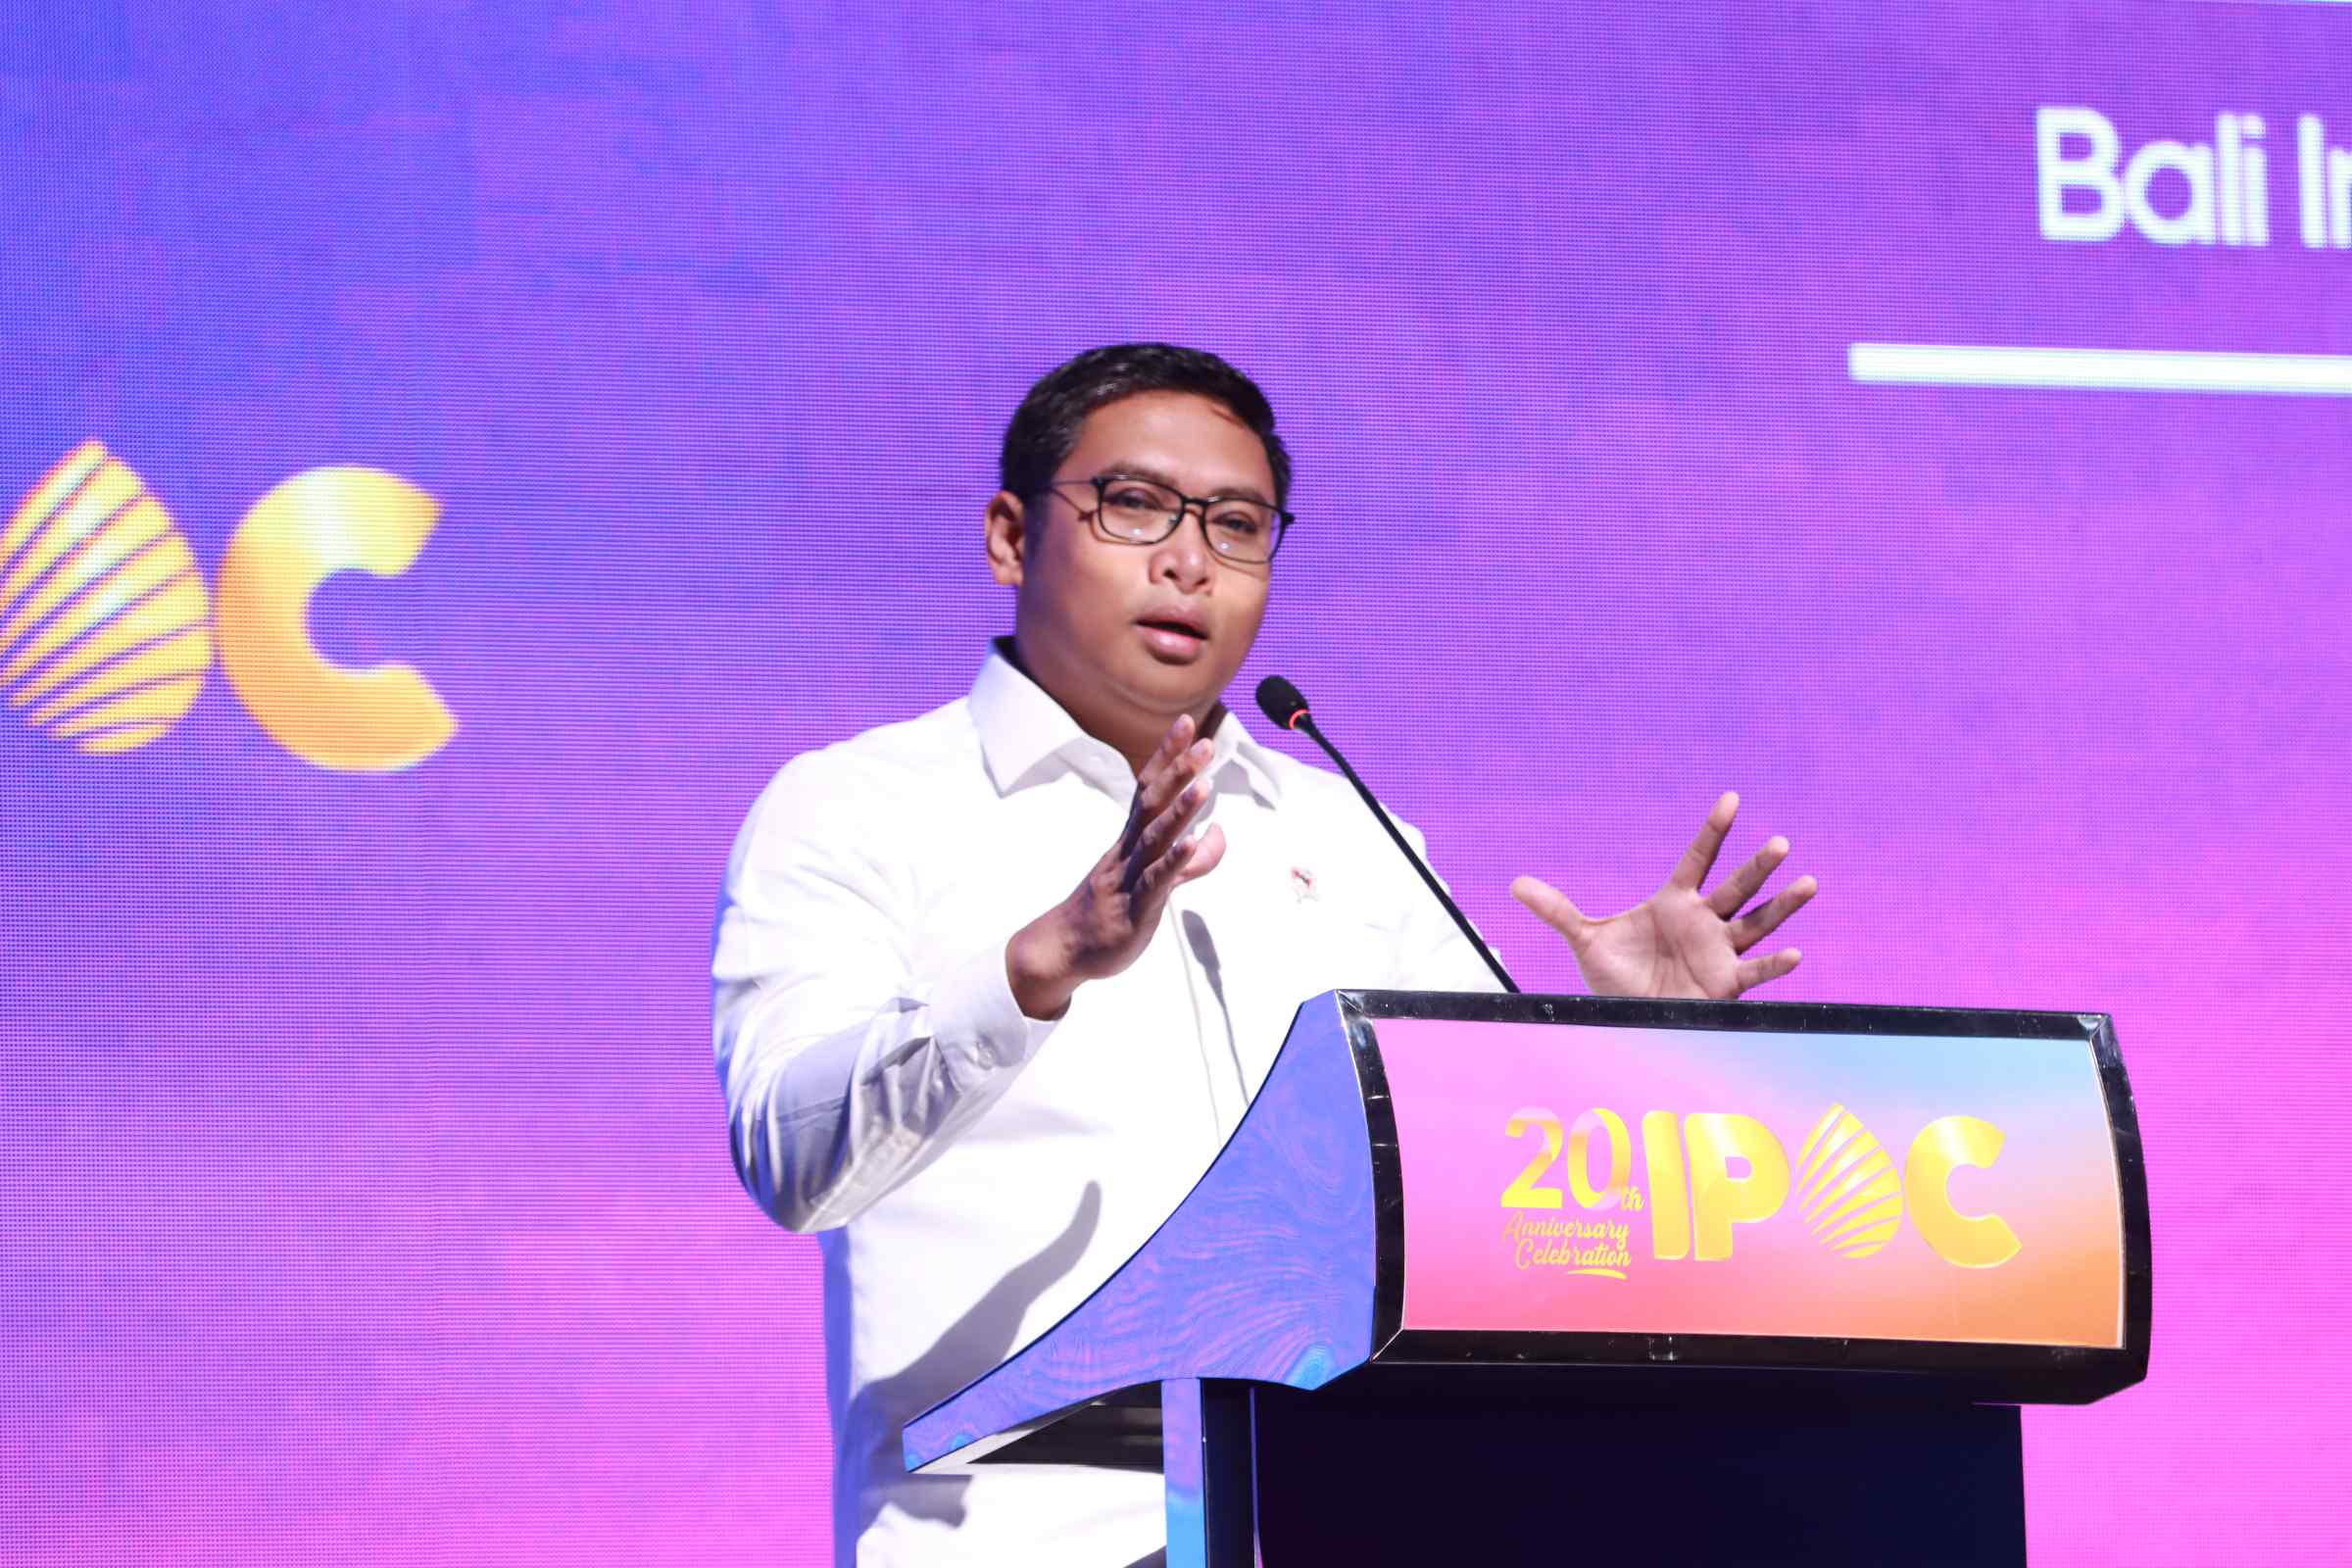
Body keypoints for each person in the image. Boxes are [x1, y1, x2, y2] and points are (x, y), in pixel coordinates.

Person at [711, 344, 1816, 1567]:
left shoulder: (1346, 831)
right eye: (1135, 505)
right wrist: (1041, 965)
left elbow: (1490, 1191)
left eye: (1236, 525)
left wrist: (1625, 1048)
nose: (1188, 560)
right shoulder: (857, 808)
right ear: (1011, 537)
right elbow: (790, 1155)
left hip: (1349, 1518)